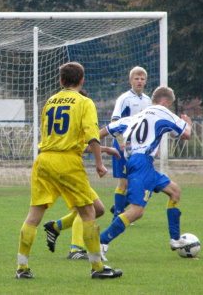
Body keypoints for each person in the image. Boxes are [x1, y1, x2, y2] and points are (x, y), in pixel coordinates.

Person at [15, 62, 122, 280]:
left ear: (61, 81)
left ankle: (22, 268)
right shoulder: (84, 102)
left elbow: (59, 138)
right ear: (82, 81)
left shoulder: (50, 101)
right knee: (89, 212)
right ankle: (98, 268)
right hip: (67, 162)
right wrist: (100, 163)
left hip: (43, 160)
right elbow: (91, 135)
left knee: (34, 214)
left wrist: (102, 150)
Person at [98, 86, 193, 259]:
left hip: (138, 161)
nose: (168, 108)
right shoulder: (162, 112)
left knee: (174, 191)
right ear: (165, 102)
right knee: (136, 211)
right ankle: (101, 242)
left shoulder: (134, 117)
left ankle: (175, 239)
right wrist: (188, 124)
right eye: (169, 105)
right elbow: (186, 134)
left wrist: (96, 147)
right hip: (142, 163)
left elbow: (103, 132)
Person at [44, 89, 120, 261]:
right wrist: (102, 159)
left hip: (60, 167)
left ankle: (55, 227)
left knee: (98, 209)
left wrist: (106, 149)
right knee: (86, 208)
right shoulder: (77, 113)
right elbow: (83, 144)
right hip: (67, 170)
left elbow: (81, 146)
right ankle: (76, 249)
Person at [109, 67, 151, 220]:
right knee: (124, 182)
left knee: (141, 182)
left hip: (140, 148)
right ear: (130, 80)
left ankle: (119, 206)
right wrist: (121, 142)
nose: (139, 81)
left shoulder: (148, 101)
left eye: (142, 79)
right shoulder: (124, 99)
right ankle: (118, 215)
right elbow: (115, 121)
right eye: (136, 78)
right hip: (124, 146)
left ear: (145, 81)